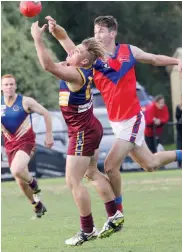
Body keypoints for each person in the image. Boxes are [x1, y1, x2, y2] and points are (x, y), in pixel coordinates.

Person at [46, 15, 182, 226]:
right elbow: (66, 42)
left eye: (101, 31)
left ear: (113, 33)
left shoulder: (129, 51)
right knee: (150, 164)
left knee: (110, 166)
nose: (97, 34)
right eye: (95, 30)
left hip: (132, 119)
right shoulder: (91, 58)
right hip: (116, 122)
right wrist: (55, 29)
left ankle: (116, 213)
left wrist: (177, 60)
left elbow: (154, 59)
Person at [31, 21, 124, 245]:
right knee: (91, 172)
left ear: (83, 60)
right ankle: (114, 214)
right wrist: (56, 30)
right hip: (90, 127)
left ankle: (87, 229)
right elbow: (66, 42)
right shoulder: (81, 63)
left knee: (72, 181)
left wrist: (37, 38)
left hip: (82, 132)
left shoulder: (75, 73)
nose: (73, 50)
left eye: (78, 51)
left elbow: (48, 66)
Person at [1, 74, 53, 218]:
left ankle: (34, 184)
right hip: (10, 146)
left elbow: (46, 113)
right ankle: (38, 206)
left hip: (26, 143)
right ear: (1, 87)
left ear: (16, 86)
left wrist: (49, 135)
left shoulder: (25, 101)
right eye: (6, 84)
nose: (9, 87)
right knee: (20, 182)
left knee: (16, 170)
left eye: (12, 84)